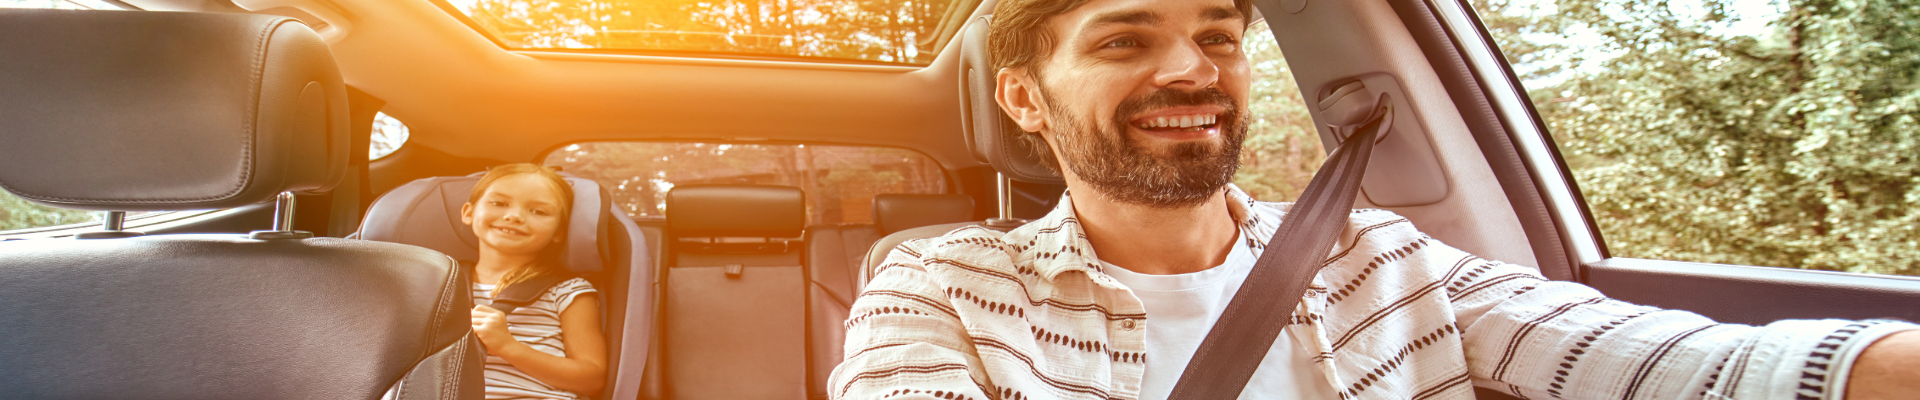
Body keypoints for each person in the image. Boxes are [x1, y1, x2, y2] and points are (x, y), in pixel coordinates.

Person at [827, 0, 1920, 398]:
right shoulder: (940, 281)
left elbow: (1683, 363)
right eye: (1126, 40)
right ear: (1024, 94)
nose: (1194, 70)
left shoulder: (1383, 261)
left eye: (1217, 37)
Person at [463, 163, 607, 399]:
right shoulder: (437, 284)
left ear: (559, 231)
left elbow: (591, 379)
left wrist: (508, 346)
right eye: (498, 203)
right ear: (468, 213)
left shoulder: (567, 291)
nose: (514, 216)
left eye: (539, 212)